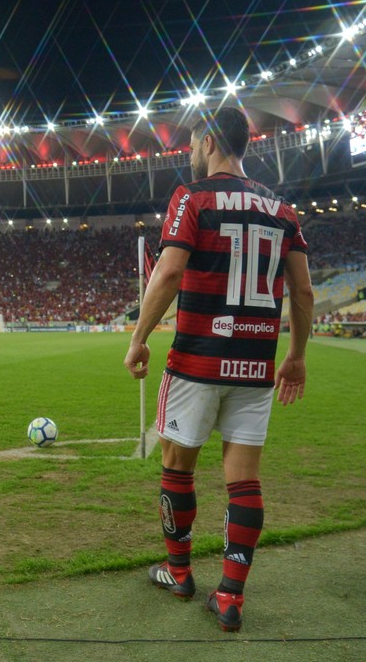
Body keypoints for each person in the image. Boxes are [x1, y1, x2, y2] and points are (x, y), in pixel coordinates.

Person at [123, 107, 314, 632]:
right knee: (243, 479)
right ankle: (230, 596)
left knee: (177, 466)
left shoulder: (192, 197)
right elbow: (302, 290)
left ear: (209, 141)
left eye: (191, 142)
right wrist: (295, 356)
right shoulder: (282, 209)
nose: (189, 152)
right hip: (256, 365)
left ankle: (179, 571)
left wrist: (139, 340)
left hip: (196, 361)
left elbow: (168, 271)